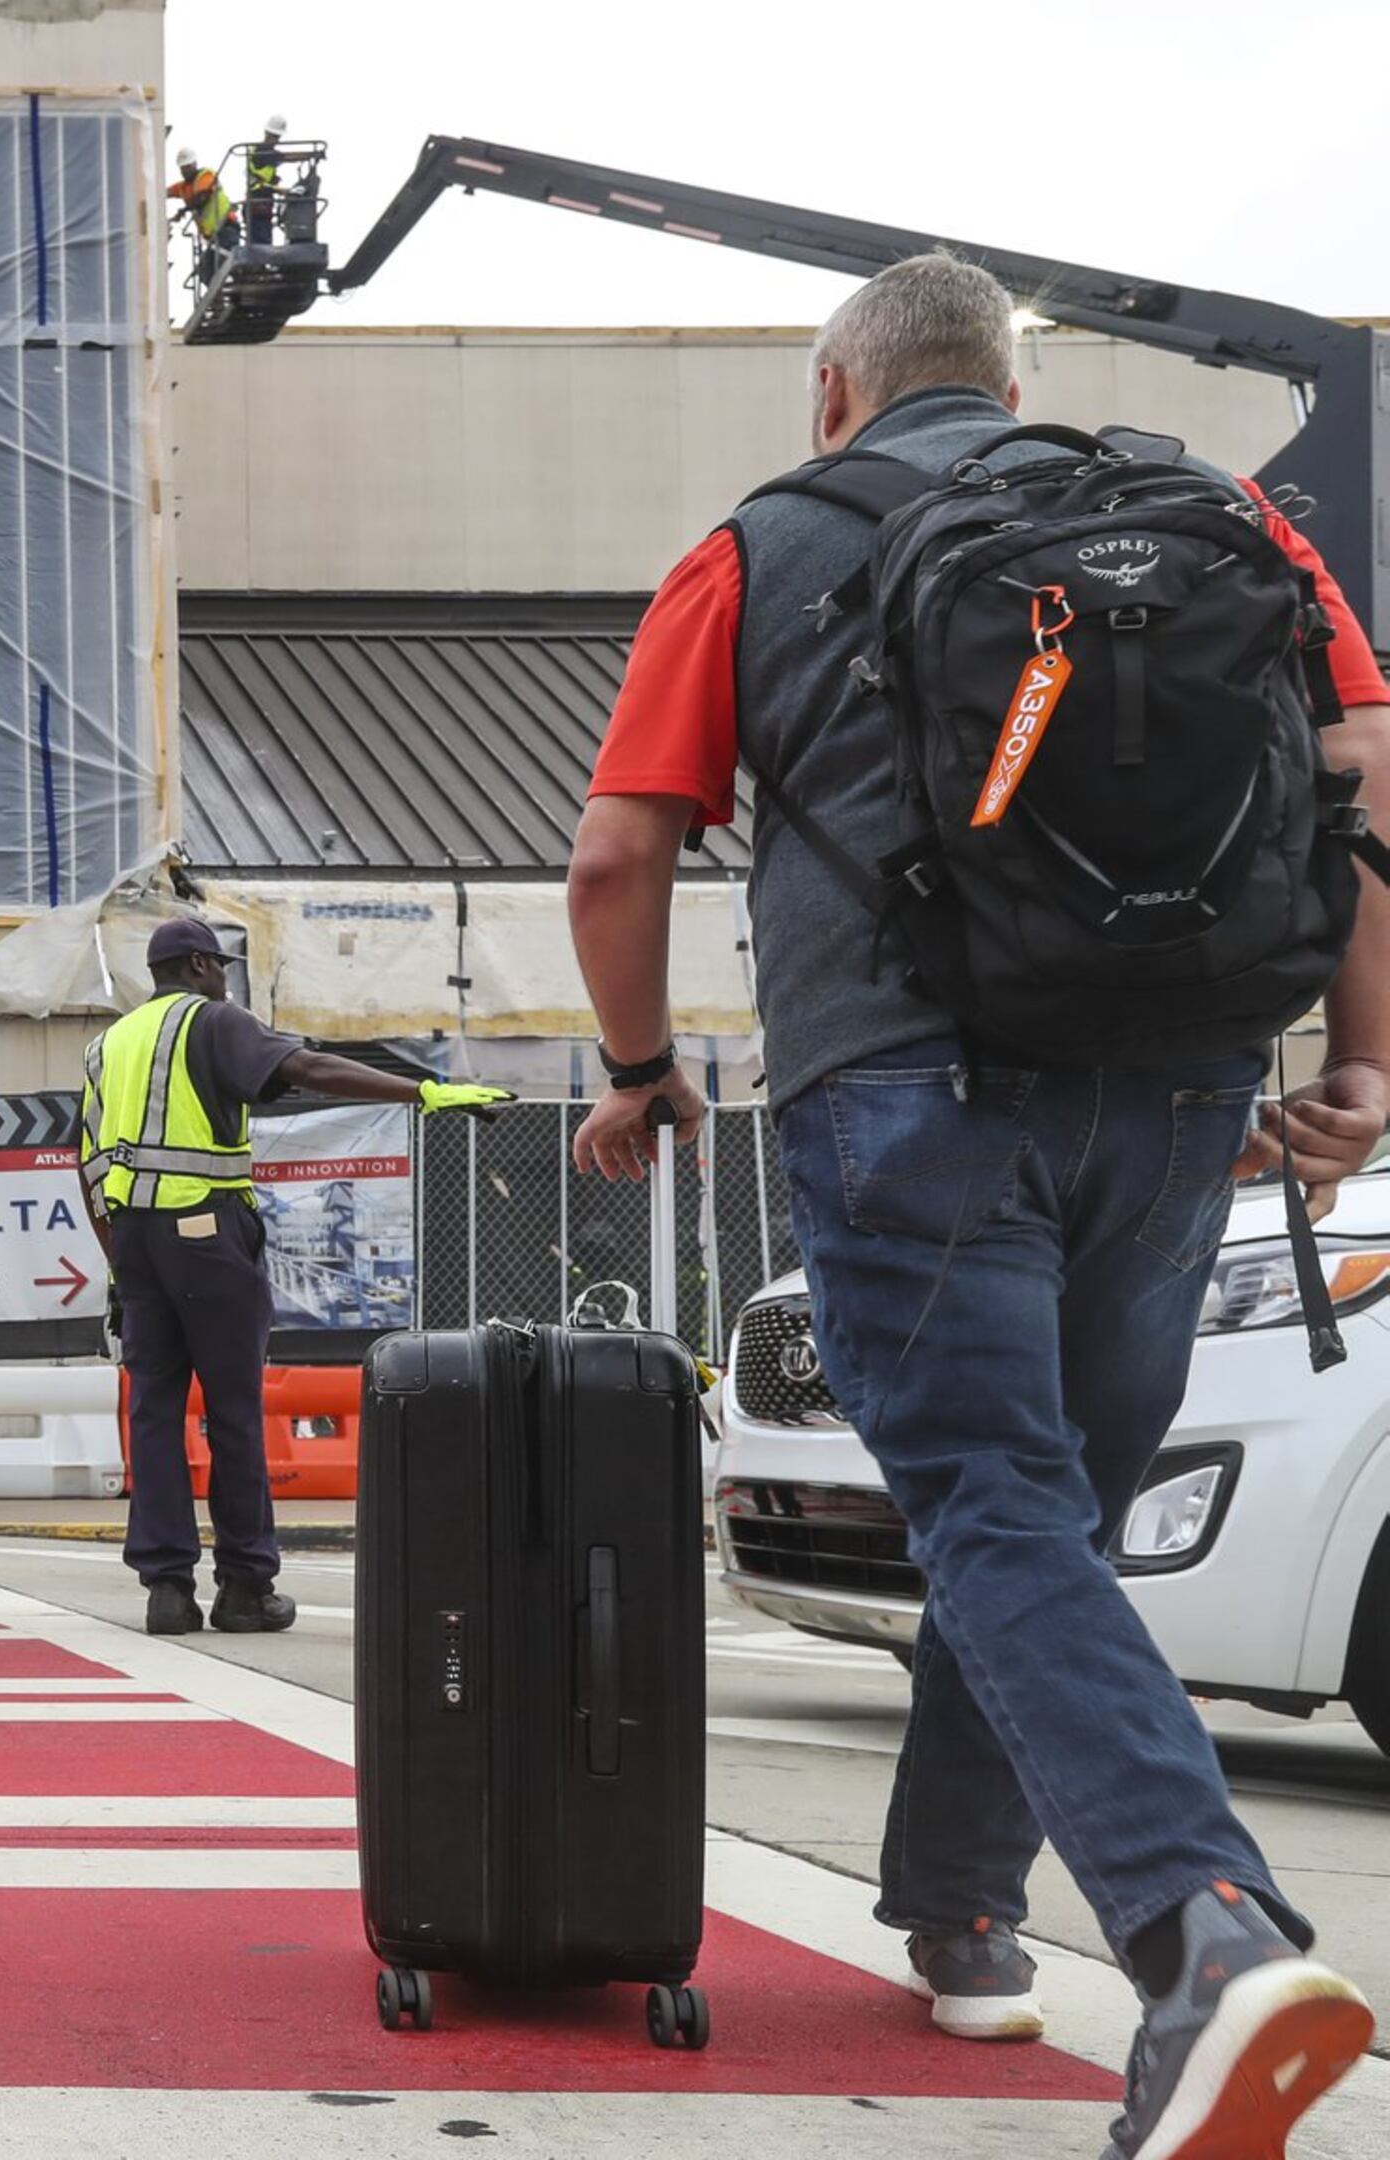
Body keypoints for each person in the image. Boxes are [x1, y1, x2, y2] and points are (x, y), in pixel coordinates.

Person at [566, 251, 1382, 2149]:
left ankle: (1205, 1931)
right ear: (1012, 388)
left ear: (834, 394)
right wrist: (1363, 1062)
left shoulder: (753, 549)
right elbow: (1363, 775)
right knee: (1048, 1515)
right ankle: (967, 1916)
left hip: (903, 1091)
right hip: (1180, 1093)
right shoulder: (1223, 516)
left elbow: (617, 856)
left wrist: (635, 1065)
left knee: (996, 1505)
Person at [80, 918, 507, 1637]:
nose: (226, 979)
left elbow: (87, 1163)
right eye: (221, 966)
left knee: (153, 1412)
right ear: (197, 965)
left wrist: (119, 1257)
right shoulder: (211, 1020)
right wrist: (424, 1093)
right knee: (233, 1411)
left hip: (135, 1243)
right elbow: (309, 1068)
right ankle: (246, 1588)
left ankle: (167, 1590)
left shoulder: (108, 1045)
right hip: (208, 1233)